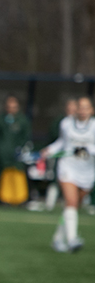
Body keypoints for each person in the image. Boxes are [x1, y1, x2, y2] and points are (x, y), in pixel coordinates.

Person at [40, 96, 95, 252]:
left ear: (91, 110)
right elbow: (61, 143)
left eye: (86, 107)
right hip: (68, 168)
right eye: (80, 107)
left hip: (87, 172)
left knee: (72, 208)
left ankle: (58, 239)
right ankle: (72, 239)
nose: (83, 110)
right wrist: (49, 150)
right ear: (75, 108)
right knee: (70, 202)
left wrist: (86, 150)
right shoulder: (66, 123)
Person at [0, 95, 32, 205]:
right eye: (9, 106)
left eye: (14, 106)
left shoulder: (22, 120)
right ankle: (2, 199)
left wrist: (20, 148)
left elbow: (25, 136)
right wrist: (0, 147)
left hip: (17, 154)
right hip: (3, 154)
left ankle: (20, 199)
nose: (11, 109)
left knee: (18, 174)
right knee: (1, 175)